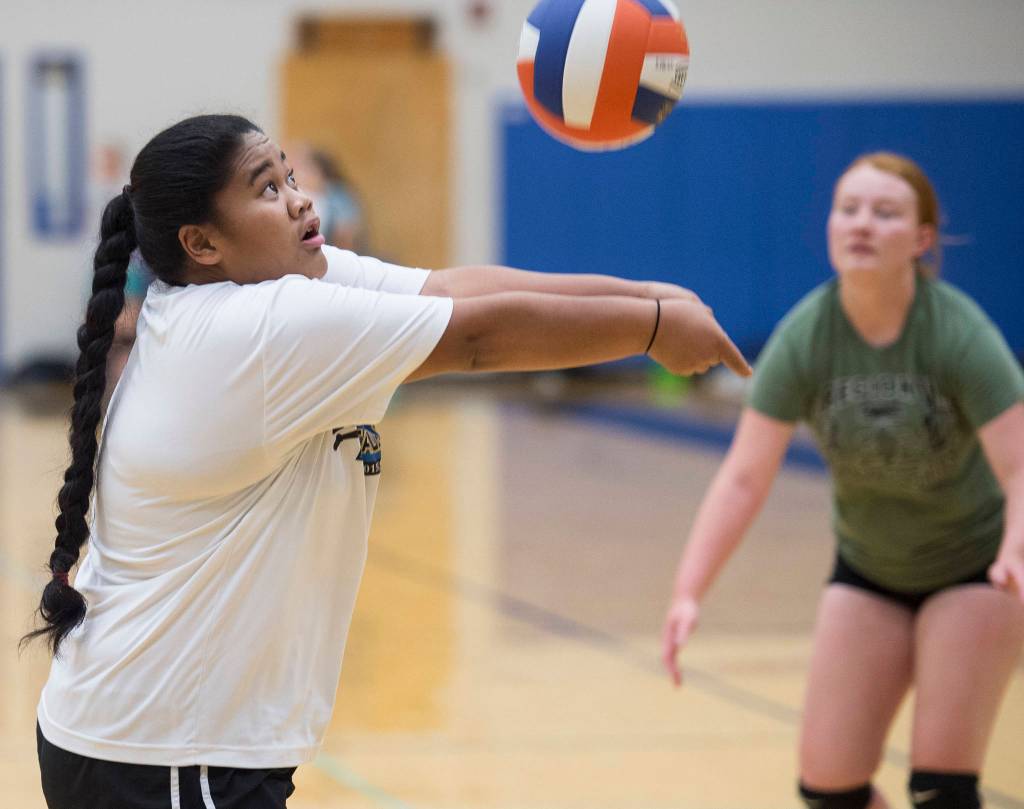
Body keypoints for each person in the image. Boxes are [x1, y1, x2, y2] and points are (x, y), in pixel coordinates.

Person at [23, 114, 750, 809]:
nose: (303, 196)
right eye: (268, 188)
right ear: (203, 242)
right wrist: (652, 330)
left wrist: (654, 297)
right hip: (162, 757)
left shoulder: (281, 285)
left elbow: (453, 287)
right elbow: (475, 338)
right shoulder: (257, 330)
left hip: (158, 742)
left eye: (288, 174)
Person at [661, 153, 1024, 809]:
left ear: (920, 240)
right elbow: (744, 477)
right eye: (848, 208)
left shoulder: (958, 333)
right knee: (831, 789)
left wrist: (1015, 549)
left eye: (885, 213)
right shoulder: (805, 337)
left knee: (942, 788)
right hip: (870, 569)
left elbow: (1020, 464)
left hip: (977, 568)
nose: (861, 223)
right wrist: (689, 589)